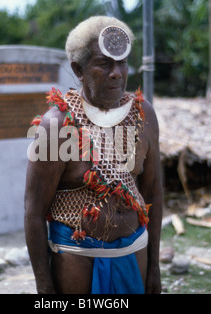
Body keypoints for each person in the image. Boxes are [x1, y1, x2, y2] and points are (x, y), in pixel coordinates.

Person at [24, 16, 163, 294]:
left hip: (134, 254)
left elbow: (153, 193)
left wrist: (154, 268)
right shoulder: (57, 125)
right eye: (104, 63)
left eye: (121, 62)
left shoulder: (143, 114)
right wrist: (45, 287)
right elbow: (33, 211)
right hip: (77, 261)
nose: (117, 73)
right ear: (79, 69)